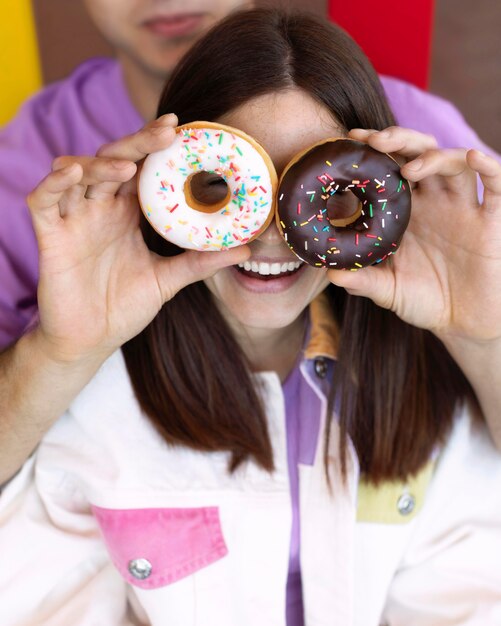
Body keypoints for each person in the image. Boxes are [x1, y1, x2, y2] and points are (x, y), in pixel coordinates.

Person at [1, 8, 501, 625]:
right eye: (219, 190)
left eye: (327, 198)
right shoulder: (94, 403)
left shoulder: (424, 383)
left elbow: (474, 584)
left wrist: (486, 337)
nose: (270, 237)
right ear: (160, 192)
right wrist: (62, 352)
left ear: (380, 204)